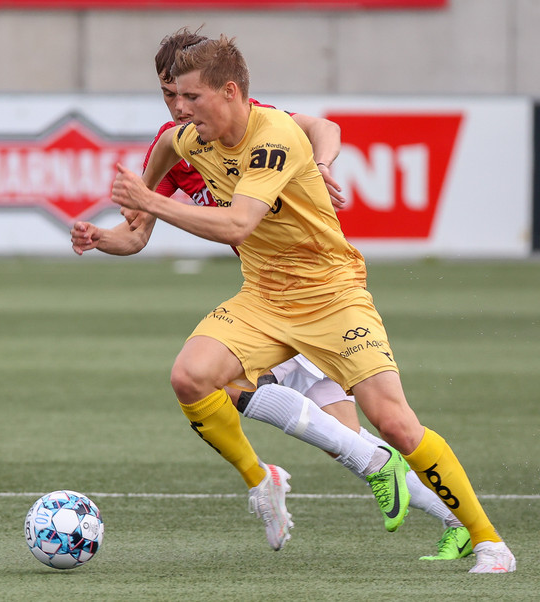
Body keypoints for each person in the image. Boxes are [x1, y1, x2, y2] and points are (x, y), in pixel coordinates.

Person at [105, 35, 516, 573]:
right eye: (171, 96)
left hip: (331, 295)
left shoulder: (273, 135)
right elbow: (157, 172)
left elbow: (238, 223)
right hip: (263, 296)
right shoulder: (187, 138)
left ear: (229, 91)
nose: (179, 109)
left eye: (189, 96)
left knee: (392, 423)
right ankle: (265, 480)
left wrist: (150, 199)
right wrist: (117, 227)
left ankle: (490, 542)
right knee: (192, 377)